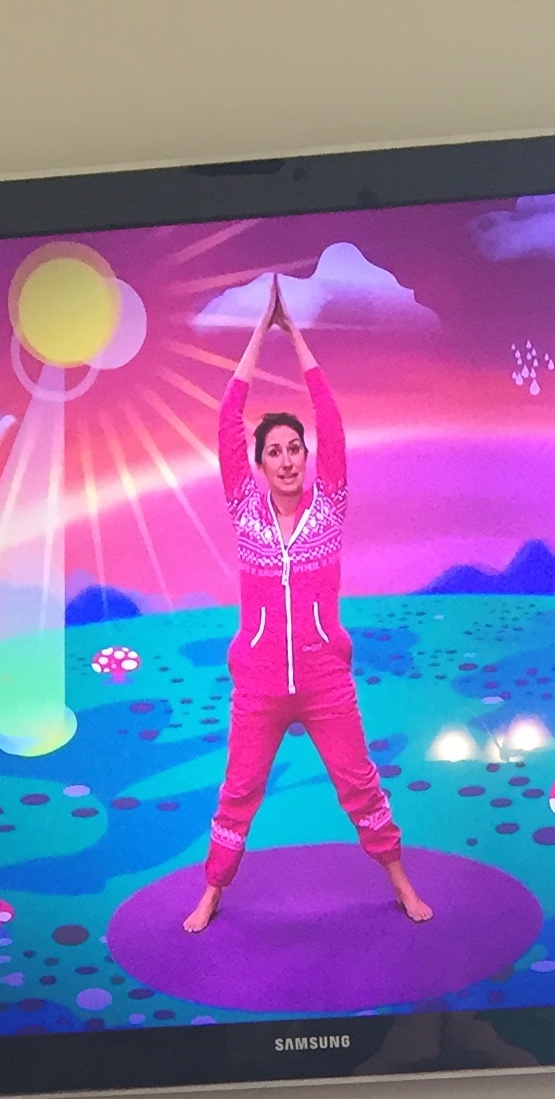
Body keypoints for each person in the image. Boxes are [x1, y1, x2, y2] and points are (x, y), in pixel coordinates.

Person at [183, 285, 432, 932]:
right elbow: (227, 420)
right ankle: (212, 890)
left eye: (295, 448)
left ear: (307, 455)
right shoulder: (245, 512)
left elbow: (333, 418)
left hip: (325, 681)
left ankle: (400, 882)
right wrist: (258, 333)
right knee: (238, 792)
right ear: (259, 465)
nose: (288, 459)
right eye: (274, 451)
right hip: (260, 685)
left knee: (360, 783)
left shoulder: (331, 506)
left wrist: (294, 335)